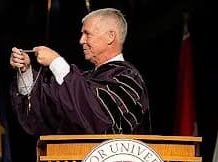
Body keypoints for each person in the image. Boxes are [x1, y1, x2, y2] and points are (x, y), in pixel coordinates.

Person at [9, 7, 150, 135]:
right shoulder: (84, 80)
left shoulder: (128, 79)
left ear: (110, 37)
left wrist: (56, 62)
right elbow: (42, 116)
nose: (81, 40)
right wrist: (25, 70)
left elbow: (97, 119)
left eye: (87, 34)